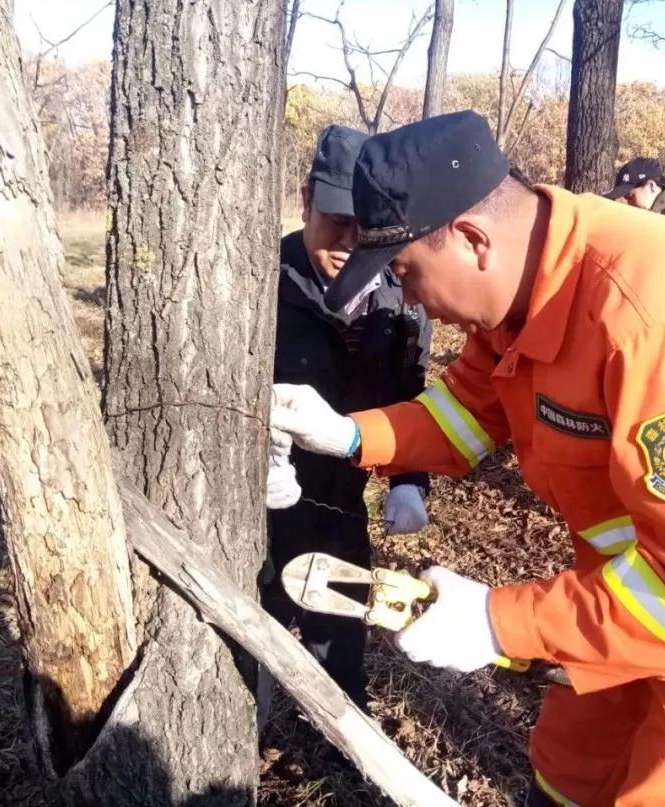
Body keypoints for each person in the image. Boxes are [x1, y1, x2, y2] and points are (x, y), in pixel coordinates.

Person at [271, 111, 665, 806]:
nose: (407, 297)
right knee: (572, 755)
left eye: (405, 271)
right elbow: (468, 411)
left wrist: (500, 622)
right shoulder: (528, 286)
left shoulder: (658, 327)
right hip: (636, 571)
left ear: (471, 240)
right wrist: (346, 434)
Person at [262, 124, 432, 711]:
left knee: (339, 635)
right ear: (306, 198)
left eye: (363, 228)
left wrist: (410, 480)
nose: (347, 243)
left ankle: (344, 745)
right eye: (335, 221)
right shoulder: (260, 282)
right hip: (262, 505)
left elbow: (413, 390)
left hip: (343, 501)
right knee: (254, 623)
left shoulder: (399, 290)